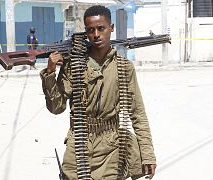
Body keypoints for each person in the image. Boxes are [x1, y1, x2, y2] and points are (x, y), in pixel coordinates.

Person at [40, 5, 156, 180]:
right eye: (90, 30)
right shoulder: (74, 66)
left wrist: (147, 154)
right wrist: (49, 73)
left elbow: (138, 113)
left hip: (112, 146)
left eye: (101, 28)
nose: (96, 34)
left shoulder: (124, 67)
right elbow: (56, 108)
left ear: (111, 28)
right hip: (79, 142)